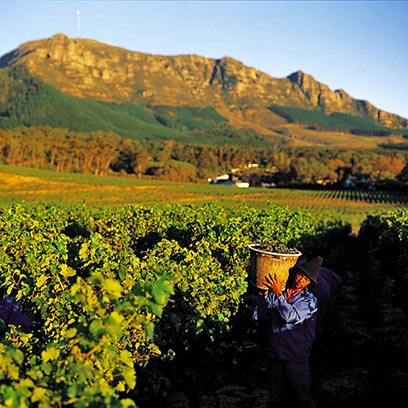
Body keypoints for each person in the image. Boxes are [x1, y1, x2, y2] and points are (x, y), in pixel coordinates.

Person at [253, 256, 323, 408]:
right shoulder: (279, 292)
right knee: (277, 398)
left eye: (306, 279)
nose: (301, 280)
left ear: (309, 283)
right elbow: (257, 315)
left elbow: (291, 317)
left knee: (301, 396)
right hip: (275, 355)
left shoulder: (309, 301)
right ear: (295, 273)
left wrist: (278, 295)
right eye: (300, 275)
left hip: (295, 356)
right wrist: (263, 294)